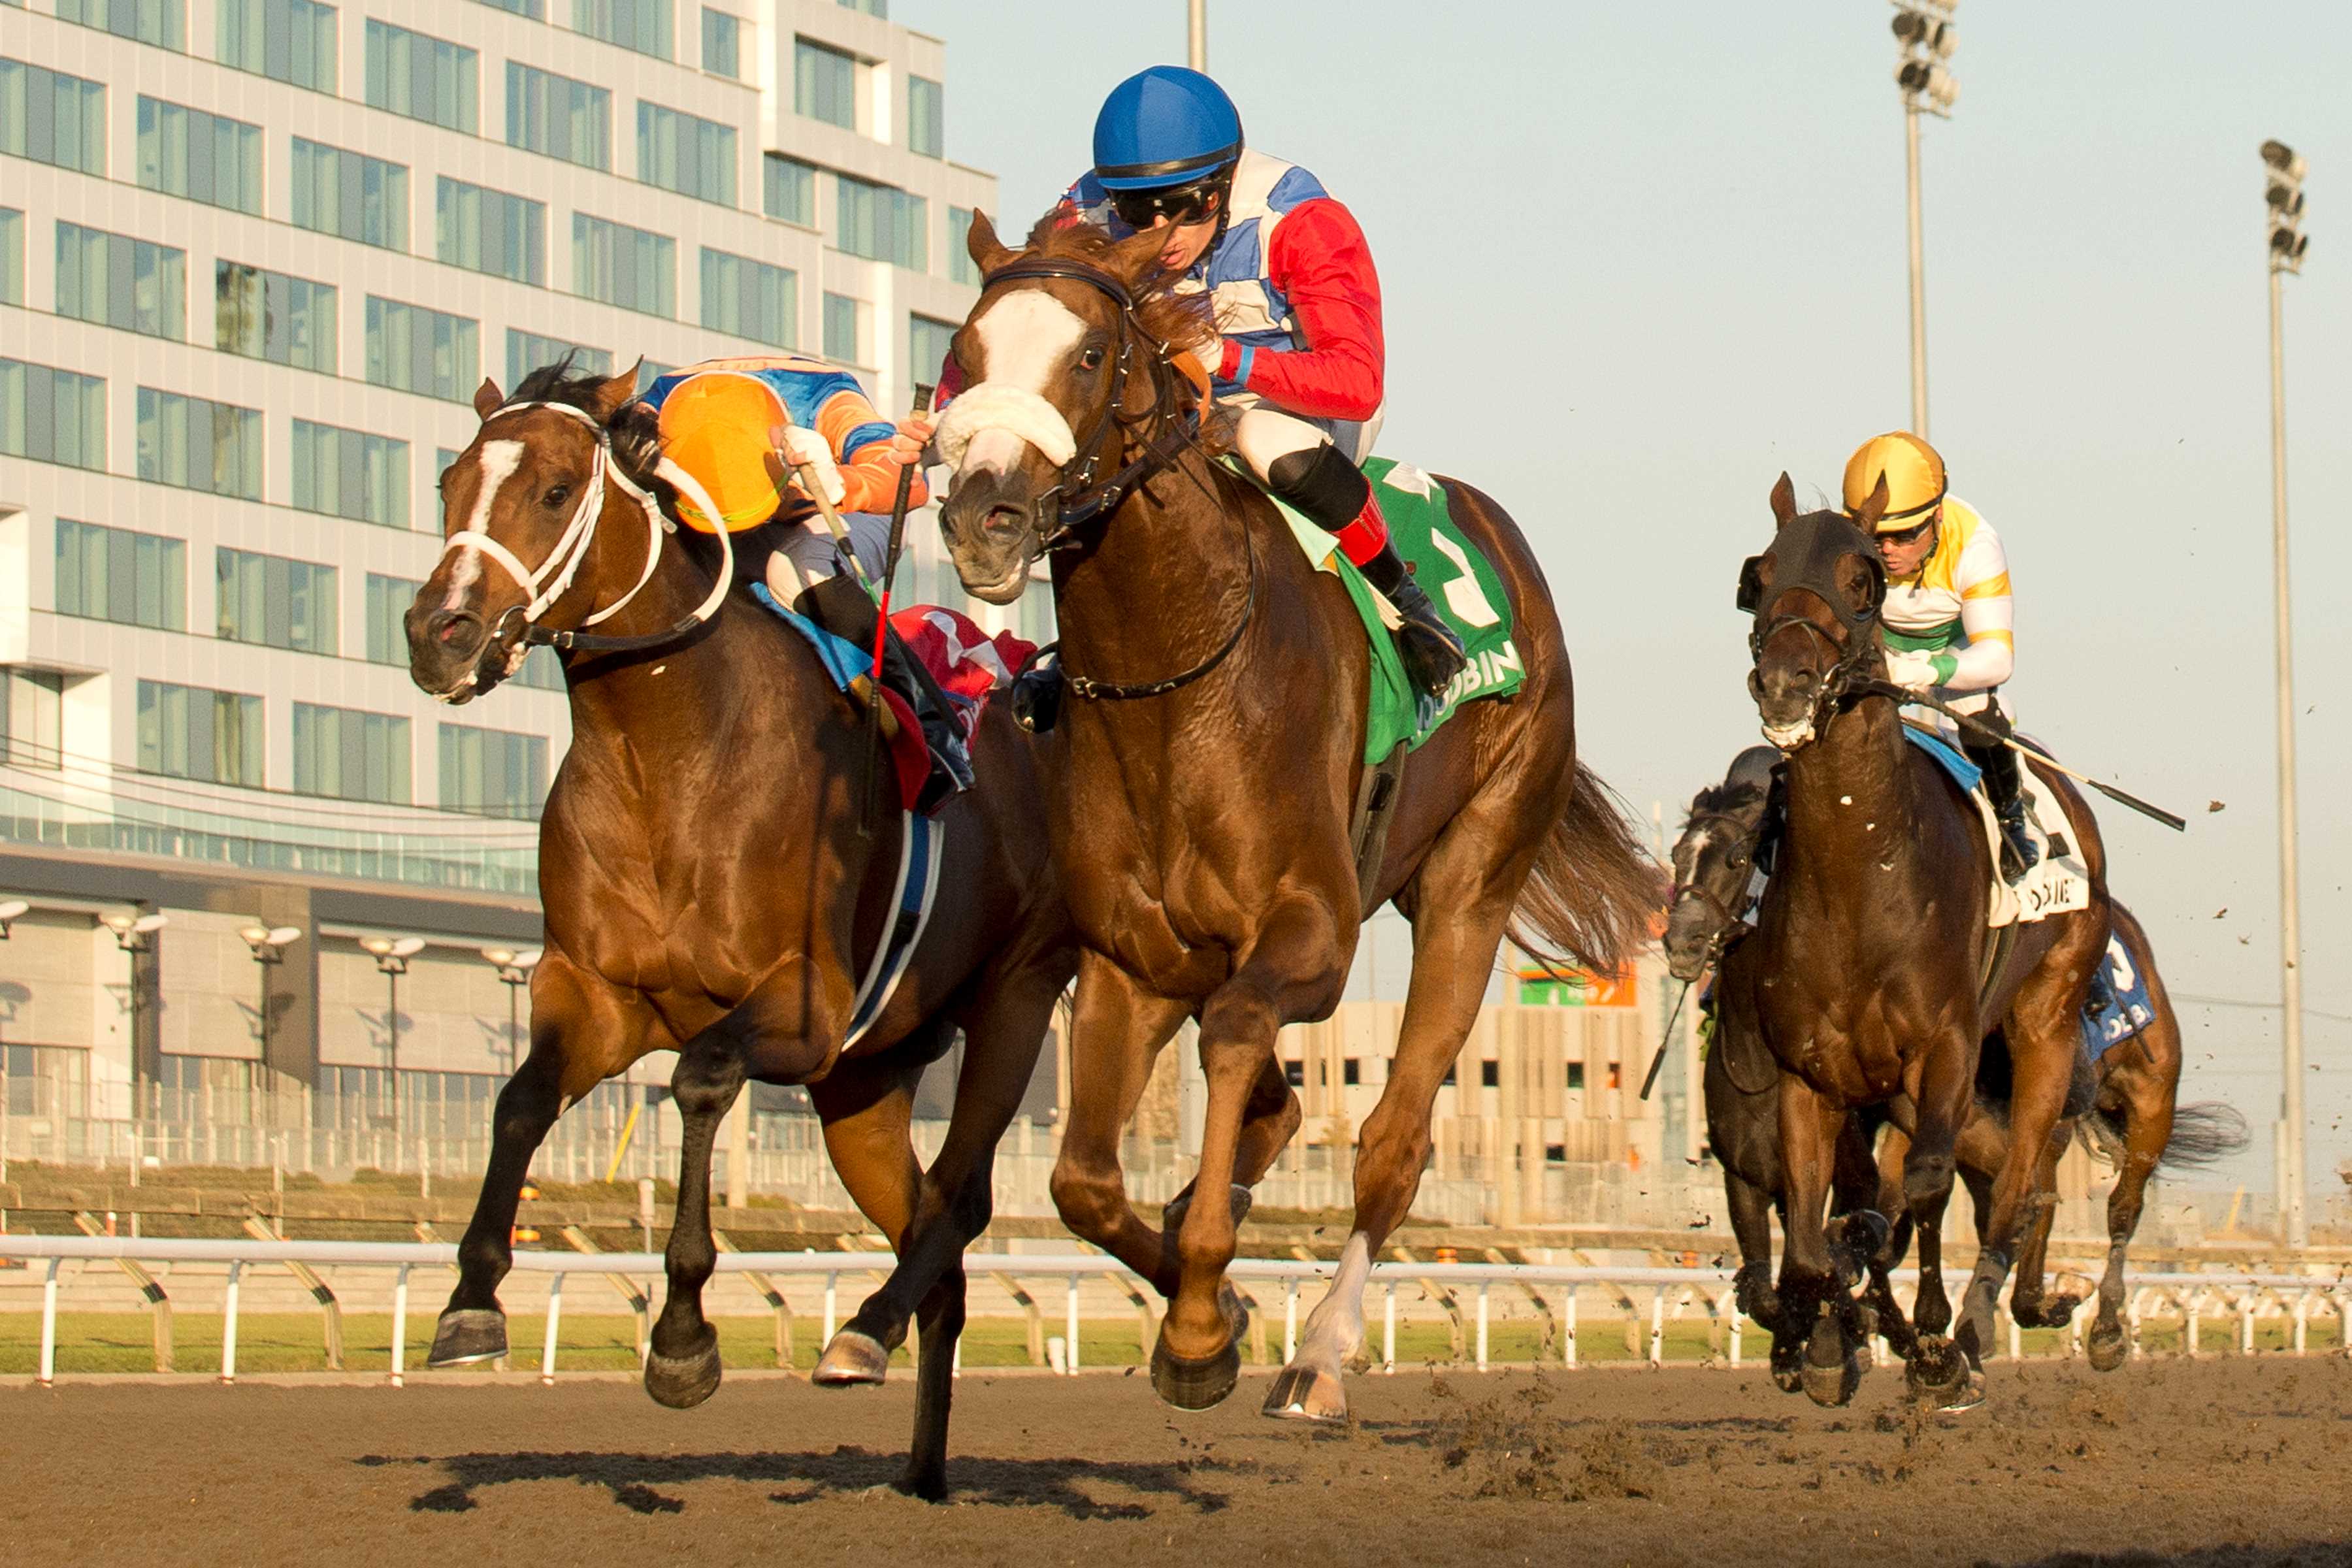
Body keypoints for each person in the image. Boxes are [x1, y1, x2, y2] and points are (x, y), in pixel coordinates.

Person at [1052, 65, 1467, 698]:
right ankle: (1071, 655)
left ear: (1224, 182)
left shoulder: (1302, 221)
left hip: (1300, 410)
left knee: (1262, 437)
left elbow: (1357, 382)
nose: (1164, 236)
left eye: (1190, 208)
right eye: (1138, 212)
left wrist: (1226, 360)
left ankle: (1405, 601)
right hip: (1176, 414)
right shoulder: (1078, 217)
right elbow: (1022, 323)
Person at [637, 355, 970, 804]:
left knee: (788, 570)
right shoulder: (655, 408)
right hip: (709, 527)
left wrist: (842, 484)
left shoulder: (826, 396)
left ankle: (927, 723)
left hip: (836, 518)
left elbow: (906, 482)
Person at [1842, 431, 2034, 878]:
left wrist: (1928, 670)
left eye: (1905, 535)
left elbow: (1997, 658)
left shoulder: (1975, 545)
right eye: (1877, 536)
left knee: (1978, 711)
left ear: (1938, 516)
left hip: (1951, 651)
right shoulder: (1847, 543)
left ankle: (2010, 819)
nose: (1887, 550)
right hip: (1878, 646)